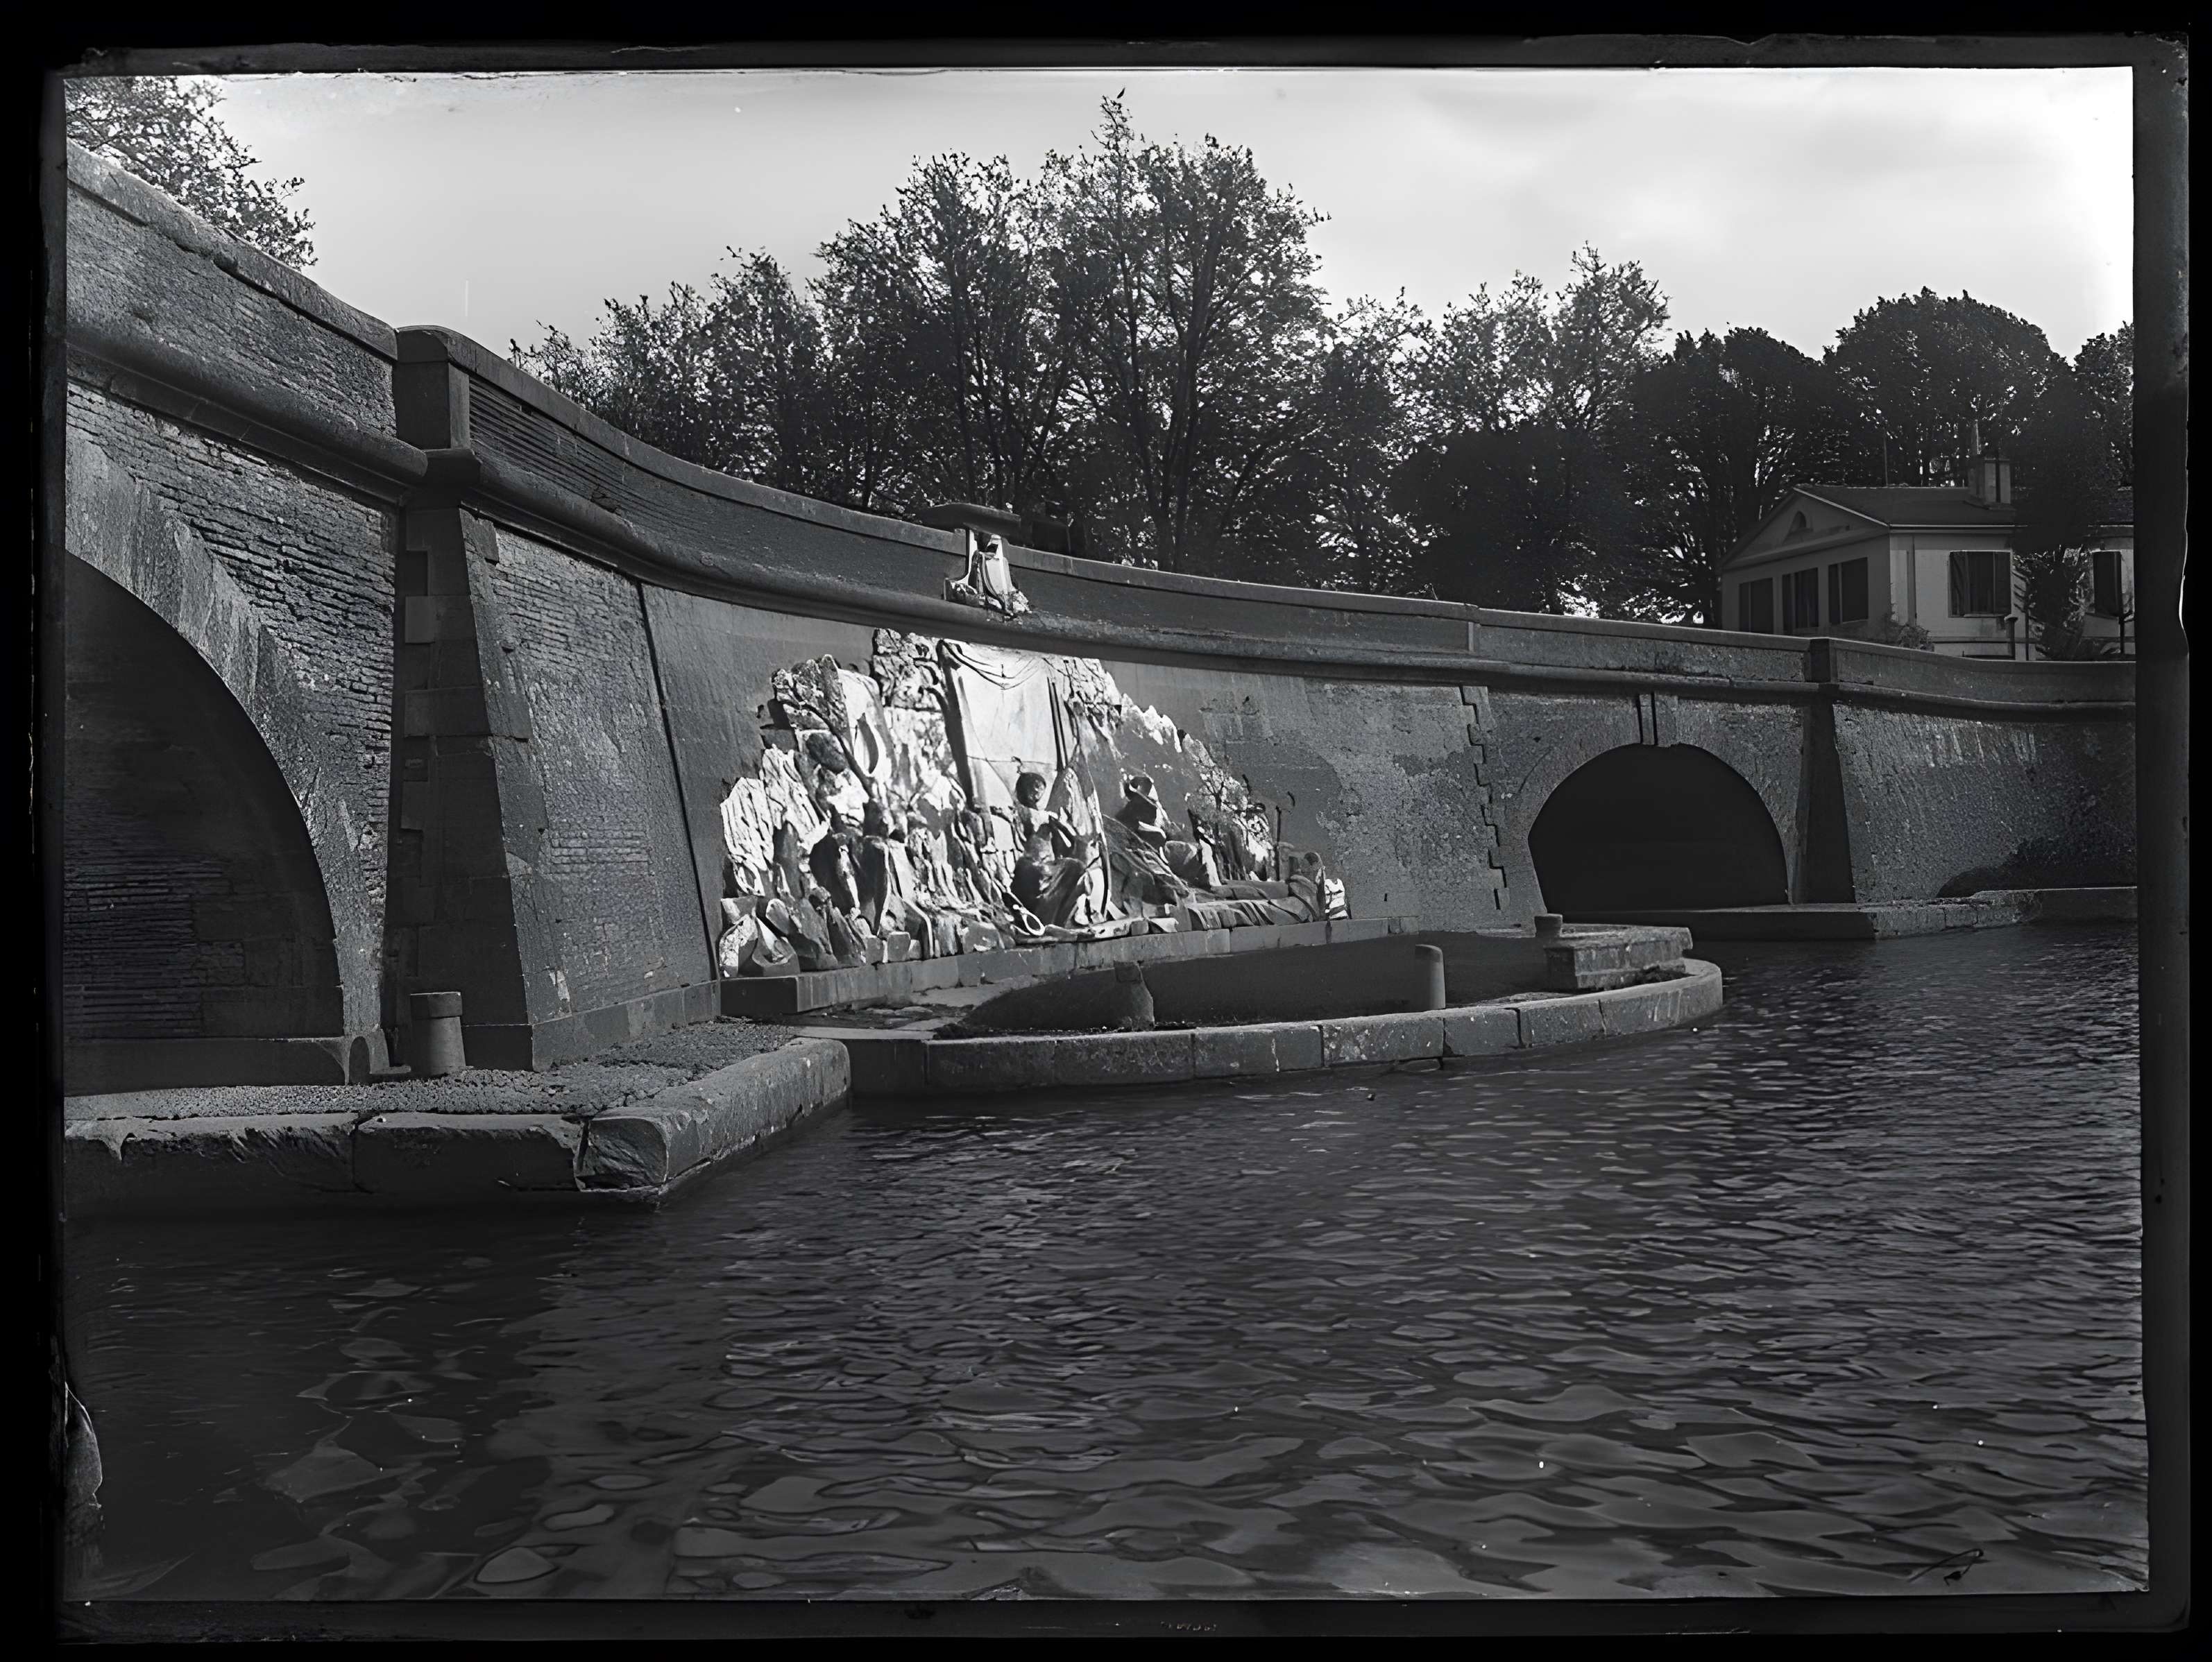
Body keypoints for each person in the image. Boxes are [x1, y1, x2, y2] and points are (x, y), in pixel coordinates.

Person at [998, 769, 1095, 927]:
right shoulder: (1029, 813)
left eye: (1040, 789)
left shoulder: (1036, 814)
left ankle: (1065, 915)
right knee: (1076, 867)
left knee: (1075, 868)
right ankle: (1056, 916)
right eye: (1035, 788)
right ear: (1026, 789)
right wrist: (1058, 823)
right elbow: (1035, 823)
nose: (1038, 793)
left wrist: (1061, 827)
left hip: (1036, 868)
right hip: (1034, 868)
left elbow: (1068, 839)